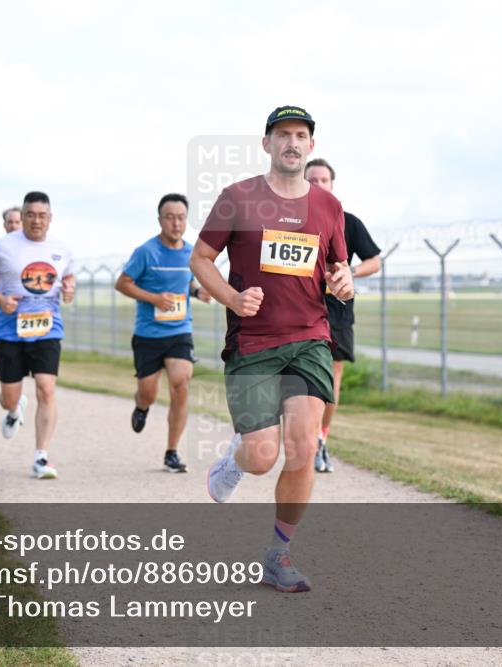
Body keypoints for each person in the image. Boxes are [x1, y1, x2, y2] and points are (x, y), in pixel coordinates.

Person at [191, 105, 353, 593]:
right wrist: (233, 299)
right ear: (267, 144)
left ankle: (279, 553)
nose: (292, 142)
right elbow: (201, 259)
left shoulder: (329, 207)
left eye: (301, 135)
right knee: (262, 456)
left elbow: (337, 271)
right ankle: (234, 460)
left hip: (309, 339)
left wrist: (343, 282)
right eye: (283, 134)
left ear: (311, 146)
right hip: (253, 343)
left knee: (303, 446)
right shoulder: (237, 197)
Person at [0, 191, 76, 479]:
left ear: (50, 218)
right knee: (9, 396)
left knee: (46, 387)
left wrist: (69, 290)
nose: (36, 221)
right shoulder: (4, 246)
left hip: (47, 327)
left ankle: (41, 457)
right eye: (30, 214)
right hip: (9, 330)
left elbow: (68, 277)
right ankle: (14, 409)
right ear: (23, 215)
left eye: (42, 215)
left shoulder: (62, 249)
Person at [115, 193, 212, 473]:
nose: (176, 223)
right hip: (148, 334)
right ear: (160, 220)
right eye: (169, 217)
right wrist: (153, 298)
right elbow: (122, 284)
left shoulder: (192, 253)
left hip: (180, 330)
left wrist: (198, 291)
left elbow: (188, 283)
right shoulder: (146, 252)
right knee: (148, 392)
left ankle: (172, 451)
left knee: (181, 384)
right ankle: (142, 407)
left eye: (181, 217)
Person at [305, 158, 381, 473]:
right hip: (300, 308)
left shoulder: (348, 222)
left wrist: (351, 271)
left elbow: (374, 261)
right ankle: (300, 435)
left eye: (324, 180)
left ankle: (320, 440)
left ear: (332, 185)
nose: (319, 185)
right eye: (313, 180)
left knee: (330, 380)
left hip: (337, 310)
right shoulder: (290, 221)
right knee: (299, 378)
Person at [0, 207, 24, 331]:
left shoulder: (34, 248)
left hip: (28, 308)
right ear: (4, 225)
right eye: (10, 222)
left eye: (17, 222)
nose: (13, 226)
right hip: (2, 307)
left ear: (23, 223)